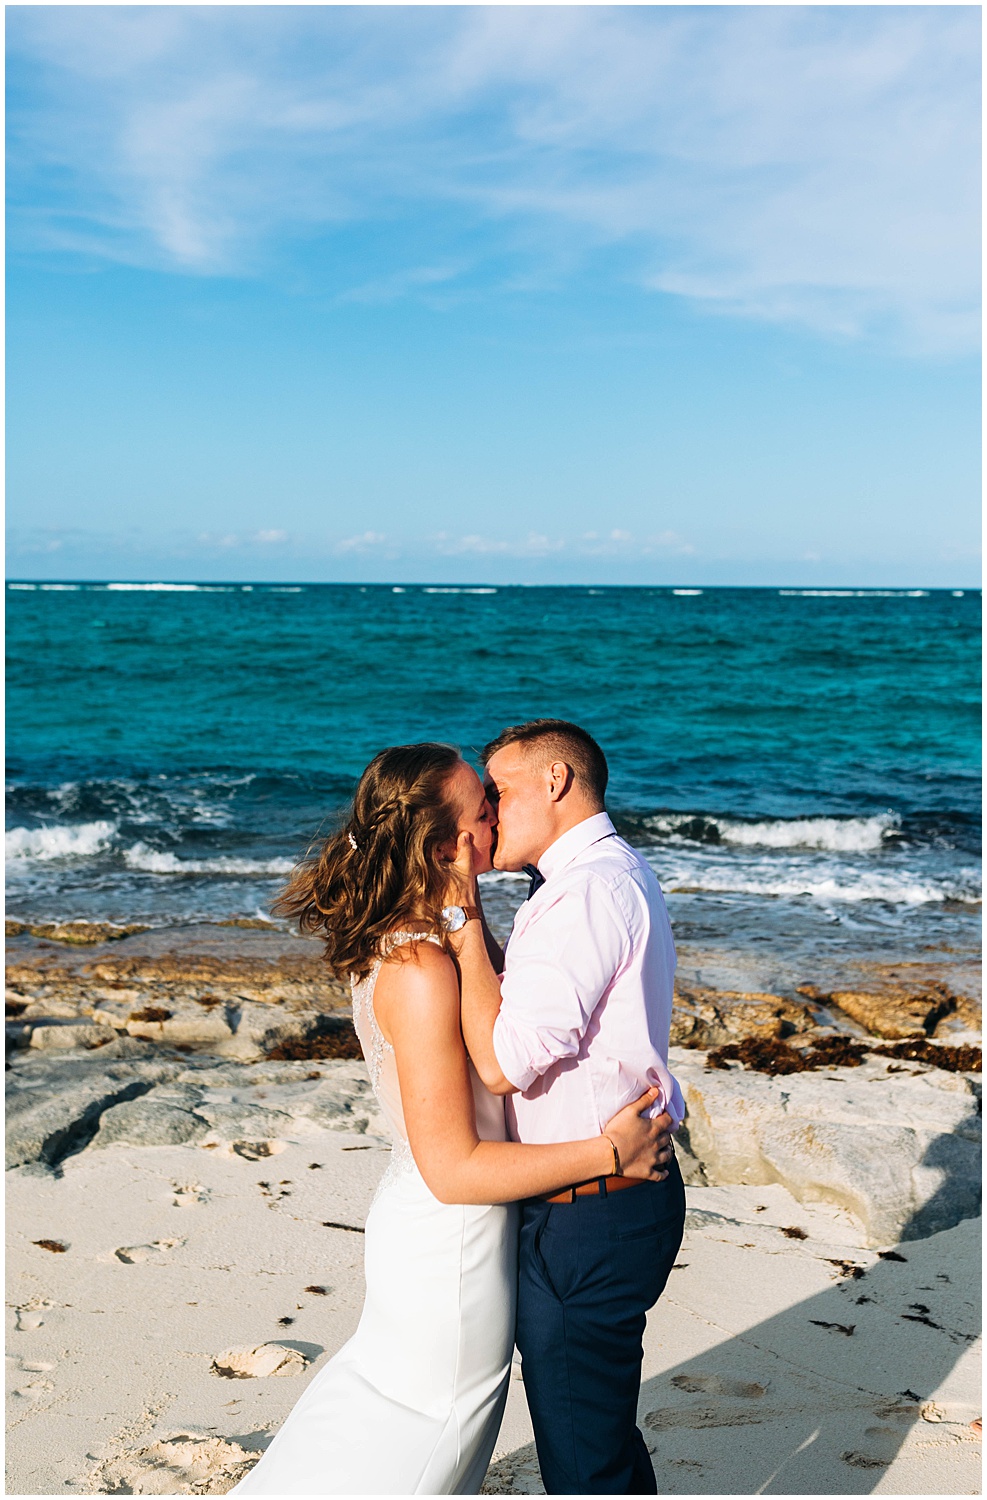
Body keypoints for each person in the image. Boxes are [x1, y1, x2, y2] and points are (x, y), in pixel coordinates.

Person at [232, 741, 673, 1497]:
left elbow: (501, 1024)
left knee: (402, 1414)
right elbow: (455, 1166)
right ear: (447, 845)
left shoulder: (433, 943)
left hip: (450, 1228)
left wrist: (468, 920)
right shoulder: (422, 966)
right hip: (452, 1245)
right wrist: (609, 1151)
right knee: (425, 1435)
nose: (495, 819)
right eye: (482, 808)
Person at [446, 719, 686, 1496]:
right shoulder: (596, 876)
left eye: (499, 790)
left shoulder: (584, 892)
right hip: (600, 1198)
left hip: (592, 1208)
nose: (488, 809)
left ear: (555, 781)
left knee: (584, 1455)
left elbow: (503, 1064)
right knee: (597, 1428)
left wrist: (461, 918)